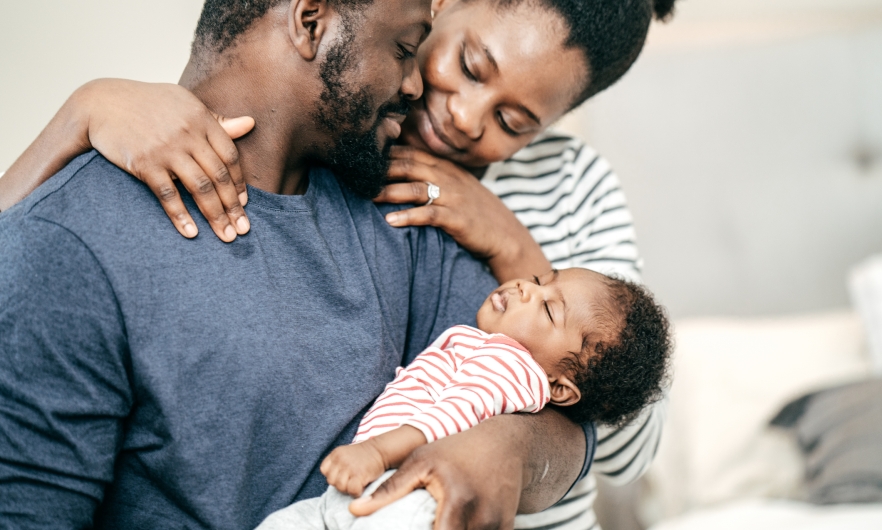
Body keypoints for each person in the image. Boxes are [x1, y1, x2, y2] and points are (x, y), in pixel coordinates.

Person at [0, 0, 677, 528]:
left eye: (516, 119)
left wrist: (505, 442)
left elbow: (592, 419)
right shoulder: (77, 234)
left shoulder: (420, 209)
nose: (433, 99)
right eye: (430, 54)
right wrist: (80, 111)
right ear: (310, 20)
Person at [257, 268, 671, 530]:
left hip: (413, 498)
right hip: (365, 495)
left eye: (548, 310)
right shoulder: (487, 347)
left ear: (560, 387)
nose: (526, 288)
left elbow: (452, 418)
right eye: (542, 280)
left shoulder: (513, 367)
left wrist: (377, 452)